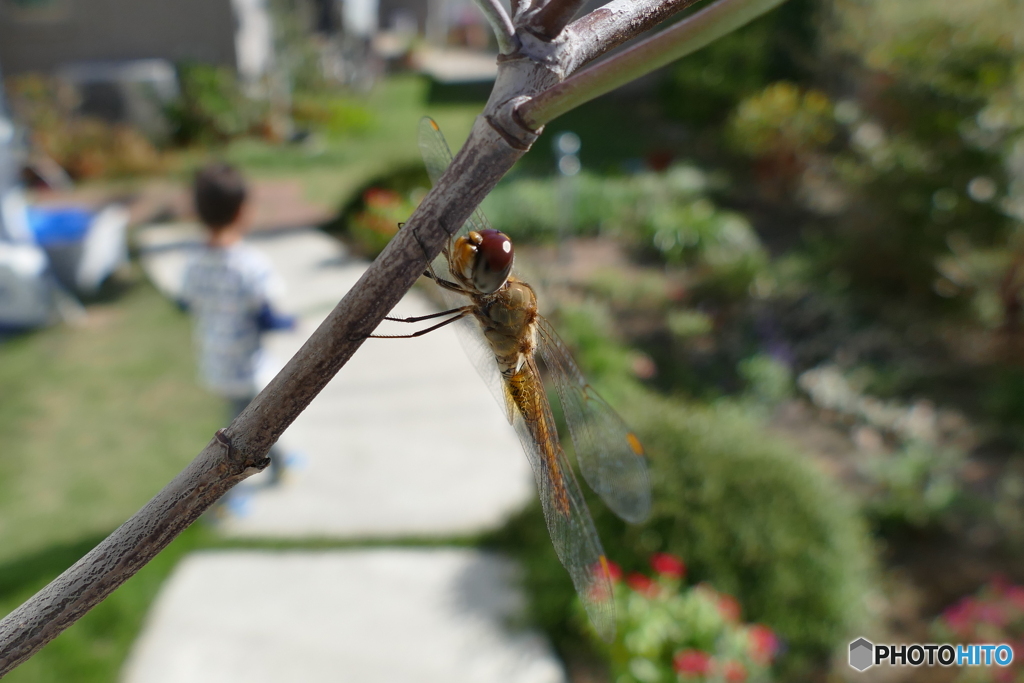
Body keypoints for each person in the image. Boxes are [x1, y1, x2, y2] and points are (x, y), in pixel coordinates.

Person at [180, 162, 295, 485]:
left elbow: (185, 301)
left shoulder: (193, 262)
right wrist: (289, 322)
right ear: (243, 210)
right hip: (247, 366)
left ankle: (280, 463)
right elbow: (268, 316)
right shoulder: (250, 264)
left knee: (247, 424)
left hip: (216, 361)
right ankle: (228, 494)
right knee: (246, 434)